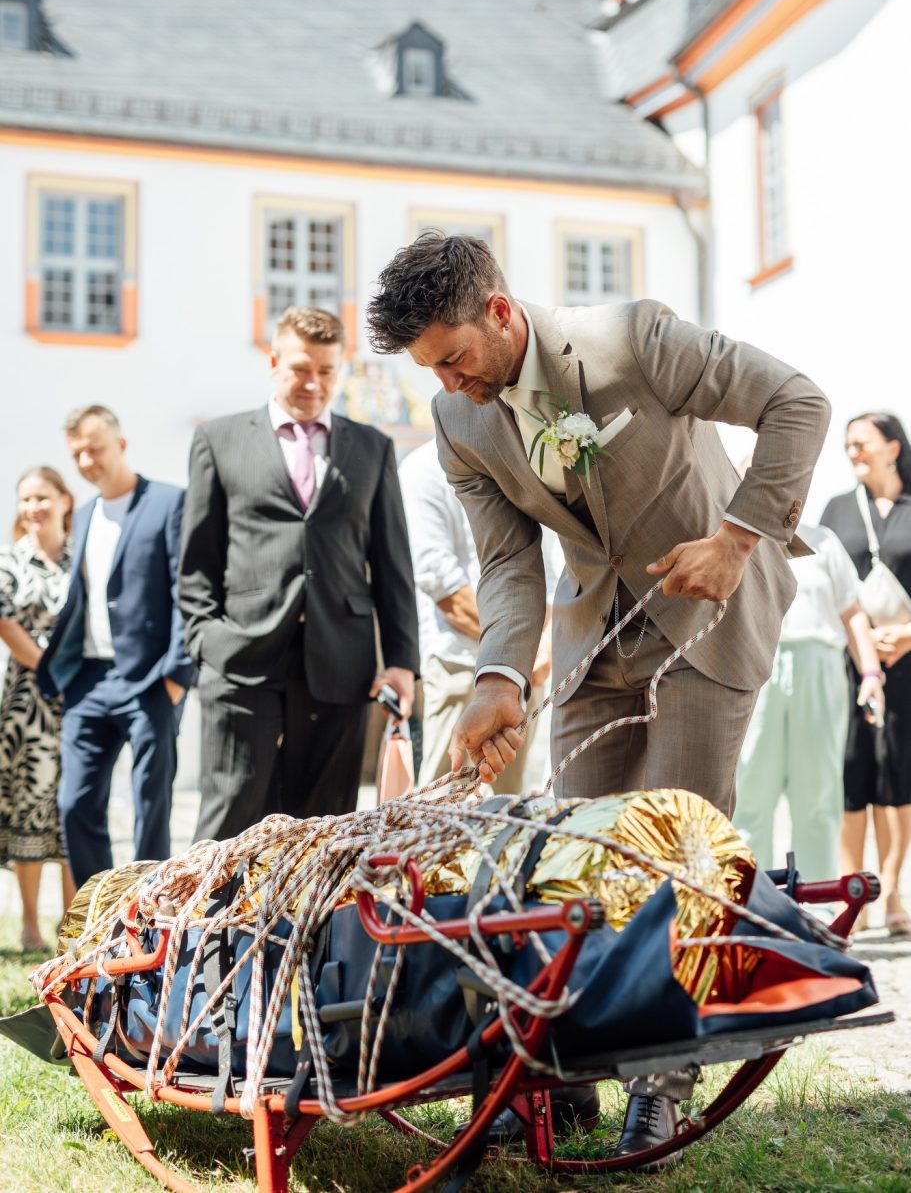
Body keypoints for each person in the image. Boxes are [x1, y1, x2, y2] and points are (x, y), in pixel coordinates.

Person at [366, 232, 830, 1162]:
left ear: (501, 312)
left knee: (677, 848)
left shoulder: (631, 339)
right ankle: (562, 1072)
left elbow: (796, 401)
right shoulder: (457, 421)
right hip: (591, 638)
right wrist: (498, 678)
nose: (448, 383)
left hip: (708, 610)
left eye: (454, 359)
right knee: (568, 862)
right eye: (432, 371)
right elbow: (507, 563)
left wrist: (737, 538)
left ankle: (660, 1085)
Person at [179, 306, 420, 842]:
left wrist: (403, 661)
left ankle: (310, 907)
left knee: (323, 833)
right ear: (273, 363)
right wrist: (206, 643)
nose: (314, 383)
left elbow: (392, 565)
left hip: (341, 664)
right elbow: (196, 564)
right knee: (227, 829)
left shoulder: (372, 447)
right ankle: (217, 906)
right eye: (300, 369)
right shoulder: (219, 440)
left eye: (327, 371)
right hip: (241, 662)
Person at [38, 407, 192, 888]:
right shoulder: (83, 514)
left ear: (121, 445)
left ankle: (147, 910)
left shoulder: (169, 502)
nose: (86, 461)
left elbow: (187, 592)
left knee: (151, 803)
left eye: (95, 448)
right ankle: (102, 912)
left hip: (150, 679)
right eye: (77, 454)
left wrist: (176, 676)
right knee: (75, 803)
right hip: (88, 680)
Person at [400, 437, 562, 794]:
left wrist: (541, 649)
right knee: (441, 799)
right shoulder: (421, 469)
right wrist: (511, 652)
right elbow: (444, 587)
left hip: (527, 667)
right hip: (459, 664)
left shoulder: (523, 459)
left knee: (507, 803)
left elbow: (550, 567)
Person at [734, 520, 884, 883]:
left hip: (819, 664)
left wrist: (870, 673)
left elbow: (852, 613)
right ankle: (749, 896)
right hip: (756, 663)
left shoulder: (823, 541)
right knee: (751, 787)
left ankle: (817, 898)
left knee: (818, 790)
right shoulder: (735, 535)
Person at [821, 412, 911, 936]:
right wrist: (861, 643)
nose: (852, 451)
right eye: (847, 444)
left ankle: (893, 889)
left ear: (893, 448)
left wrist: (907, 636)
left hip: (908, 663)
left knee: (898, 776)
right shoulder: (836, 509)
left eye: (862, 442)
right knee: (850, 773)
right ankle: (850, 893)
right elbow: (818, 583)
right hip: (847, 664)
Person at [0, 467, 75, 950]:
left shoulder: (83, 558)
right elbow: (5, 623)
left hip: (81, 703)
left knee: (74, 810)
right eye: (25, 499)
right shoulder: (9, 561)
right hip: (29, 706)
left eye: (41, 497)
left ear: (65, 500)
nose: (32, 508)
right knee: (30, 809)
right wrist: (54, 673)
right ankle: (30, 924)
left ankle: (73, 925)